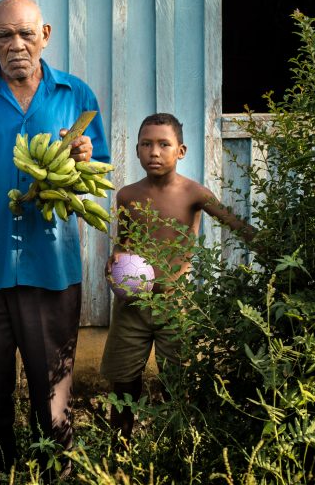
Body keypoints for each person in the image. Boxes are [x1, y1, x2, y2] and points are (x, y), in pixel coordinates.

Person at [0, 0, 110, 475]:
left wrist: (82, 157)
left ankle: (57, 469)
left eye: (26, 33)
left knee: (52, 385)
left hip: (51, 266)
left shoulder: (76, 96)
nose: (16, 44)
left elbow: (98, 173)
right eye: (5, 35)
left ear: (45, 35)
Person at [101, 112, 255, 440]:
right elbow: (124, 240)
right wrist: (115, 258)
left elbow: (234, 223)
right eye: (146, 144)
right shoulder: (127, 195)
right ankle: (119, 449)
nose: (154, 151)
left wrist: (270, 243)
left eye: (163, 144)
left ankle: (179, 446)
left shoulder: (194, 194)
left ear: (180, 151)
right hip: (132, 305)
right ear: (138, 149)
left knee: (177, 382)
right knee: (124, 382)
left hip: (175, 304)